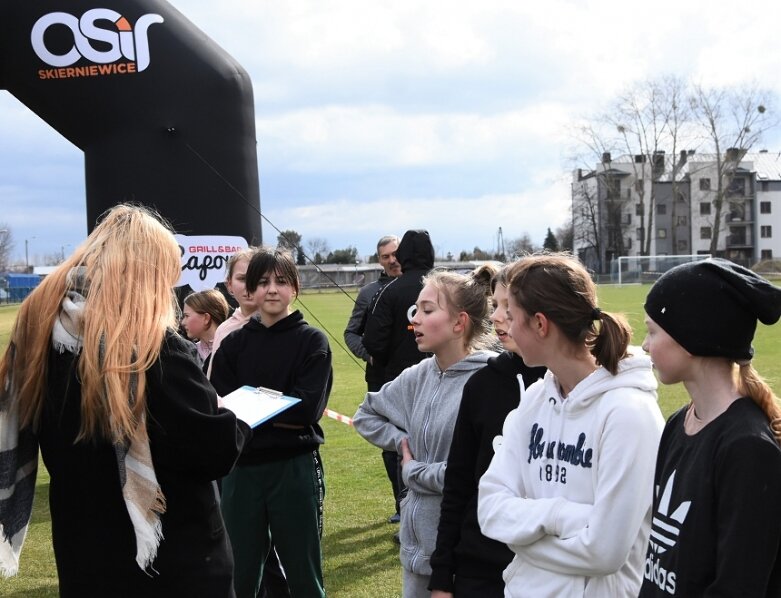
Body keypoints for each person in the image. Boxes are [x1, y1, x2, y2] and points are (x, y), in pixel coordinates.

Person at [0, 204, 251, 597]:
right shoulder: (153, 350)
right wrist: (232, 418)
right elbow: (213, 453)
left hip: (85, 557)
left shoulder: (40, 342)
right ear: (147, 274)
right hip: (170, 562)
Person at [477, 253, 664, 597]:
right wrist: (563, 517)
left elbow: (604, 552)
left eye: (512, 314)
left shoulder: (628, 413)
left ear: (540, 324)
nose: (504, 324)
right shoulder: (535, 398)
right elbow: (489, 509)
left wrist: (523, 541)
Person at [638, 258, 781, 597]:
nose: (645, 345)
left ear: (693, 337)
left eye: (653, 331)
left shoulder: (747, 448)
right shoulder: (677, 424)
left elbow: (739, 585)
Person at [353, 266, 496, 598]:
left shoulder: (488, 381)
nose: (414, 319)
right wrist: (404, 442)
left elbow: (479, 475)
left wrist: (414, 471)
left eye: (427, 310)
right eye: (415, 309)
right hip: (414, 555)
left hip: (463, 558)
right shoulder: (417, 375)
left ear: (460, 323)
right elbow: (366, 415)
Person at [210, 247, 333, 598]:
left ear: (294, 287)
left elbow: (307, 410)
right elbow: (222, 408)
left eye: (281, 281)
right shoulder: (233, 344)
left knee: (303, 573)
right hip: (242, 470)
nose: (272, 289)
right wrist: (278, 403)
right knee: (240, 574)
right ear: (250, 289)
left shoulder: (312, 340)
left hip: (293, 468)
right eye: (263, 282)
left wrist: (253, 407)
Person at [429, 265, 546, 598]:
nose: (495, 317)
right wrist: (442, 575)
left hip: (547, 571)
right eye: (494, 304)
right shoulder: (482, 384)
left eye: (507, 306)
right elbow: (459, 484)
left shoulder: (574, 390)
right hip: (478, 570)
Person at [343, 234, 402, 523]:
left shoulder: (424, 287)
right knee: (391, 447)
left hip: (419, 376)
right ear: (379, 261)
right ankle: (401, 504)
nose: (392, 260)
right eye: (385, 257)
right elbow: (351, 332)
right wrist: (368, 355)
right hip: (380, 379)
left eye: (395, 254)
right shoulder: (369, 293)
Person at [363, 229, 435, 384]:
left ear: (402, 254)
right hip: (442, 377)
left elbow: (373, 341)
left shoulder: (388, 291)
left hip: (399, 381)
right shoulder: (448, 287)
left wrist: (394, 360)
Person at [206, 247, 259, 379]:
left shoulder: (280, 325)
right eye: (242, 279)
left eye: (257, 278)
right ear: (229, 284)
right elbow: (214, 384)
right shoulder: (224, 330)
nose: (249, 286)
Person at [182, 288, 230, 373]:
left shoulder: (232, 347)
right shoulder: (190, 353)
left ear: (206, 318)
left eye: (187, 316)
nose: (183, 322)